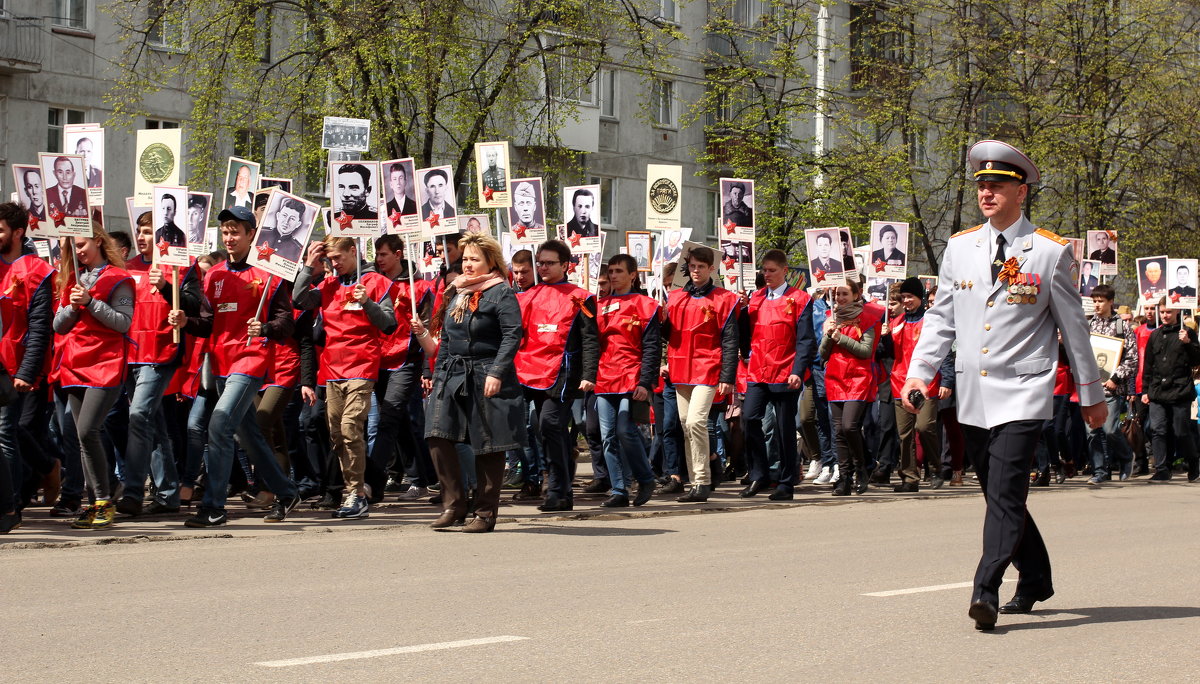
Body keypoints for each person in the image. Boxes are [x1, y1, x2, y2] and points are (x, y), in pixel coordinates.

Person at [900, 139, 1107, 631]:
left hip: (1024, 391)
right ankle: (1034, 577)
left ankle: (985, 589)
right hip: (973, 393)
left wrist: (1090, 394)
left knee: (1007, 494)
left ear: (1021, 191)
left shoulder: (1050, 252)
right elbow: (942, 318)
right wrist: (919, 372)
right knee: (999, 495)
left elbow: (1074, 330)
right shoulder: (960, 246)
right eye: (981, 185)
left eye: (997, 184)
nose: (987, 192)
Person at [171, 205, 301, 527]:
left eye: (236, 232)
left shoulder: (268, 273)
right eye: (225, 231)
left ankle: (214, 507)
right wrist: (186, 321)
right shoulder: (214, 275)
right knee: (249, 434)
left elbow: (286, 323)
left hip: (251, 360)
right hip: (220, 364)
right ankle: (286, 492)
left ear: (251, 235)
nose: (229, 238)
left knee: (218, 425)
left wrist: (266, 329)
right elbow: (207, 324)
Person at [412, 232, 525, 532]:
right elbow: (446, 339)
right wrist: (435, 369)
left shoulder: (502, 292)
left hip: (486, 370)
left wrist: (497, 372)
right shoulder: (456, 291)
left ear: (490, 262)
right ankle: (454, 504)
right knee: (437, 433)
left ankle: (486, 512)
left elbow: (512, 334)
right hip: (452, 371)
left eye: (475, 259)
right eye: (465, 259)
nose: (468, 265)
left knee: (488, 444)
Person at [293, 236, 397, 519]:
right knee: (338, 435)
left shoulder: (375, 282)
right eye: (330, 260)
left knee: (351, 428)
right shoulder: (329, 284)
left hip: (362, 367)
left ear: (354, 251)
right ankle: (356, 489)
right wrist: (308, 266)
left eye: (338, 258)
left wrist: (367, 303)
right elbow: (299, 299)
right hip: (332, 370)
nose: (334, 264)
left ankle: (357, 493)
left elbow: (389, 324)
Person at [51, 222, 135, 530]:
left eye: (83, 244)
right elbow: (58, 325)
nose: (78, 251)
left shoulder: (119, 278)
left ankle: (104, 500)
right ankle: (95, 502)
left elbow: (123, 323)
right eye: (73, 246)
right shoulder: (72, 279)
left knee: (88, 431)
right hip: (75, 363)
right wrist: (74, 307)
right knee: (80, 436)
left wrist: (91, 303)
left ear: (99, 241)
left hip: (106, 362)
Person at [117, 211, 201, 516]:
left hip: (161, 354)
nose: (141, 236)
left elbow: (194, 306)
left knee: (138, 416)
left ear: (163, 235)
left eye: (149, 231)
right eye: (139, 230)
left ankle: (134, 492)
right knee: (154, 424)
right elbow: (122, 309)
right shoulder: (126, 268)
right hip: (131, 355)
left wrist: (167, 286)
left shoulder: (181, 265)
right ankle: (167, 494)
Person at [514, 239, 598, 511]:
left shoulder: (581, 296)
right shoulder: (529, 294)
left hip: (563, 373)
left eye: (549, 263)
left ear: (565, 265)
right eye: (540, 263)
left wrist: (589, 373)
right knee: (545, 428)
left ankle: (557, 489)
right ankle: (562, 491)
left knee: (550, 425)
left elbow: (590, 339)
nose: (543, 267)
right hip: (531, 369)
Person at [662, 246, 739, 503]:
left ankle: (703, 480)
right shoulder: (675, 298)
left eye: (701, 267)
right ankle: (697, 480)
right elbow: (668, 335)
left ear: (711, 269)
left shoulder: (724, 298)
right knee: (686, 426)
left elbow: (730, 340)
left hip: (708, 368)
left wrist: (727, 377)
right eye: (692, 266)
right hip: (681, 368)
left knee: (696, 422)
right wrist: (662, 320)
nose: (696, 271)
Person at [738, 249, 816, 500]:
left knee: (783, 430)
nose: (767, 275)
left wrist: (797, 371)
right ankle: (759, 474)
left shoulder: (800, 299)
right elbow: (745, 333)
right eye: (765, 270)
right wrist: (740, 310)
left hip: (785, 371)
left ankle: (786, 481)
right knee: (749, 419)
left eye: (772, 270)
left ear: (785, 271)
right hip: (759, 370)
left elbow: (805, 340)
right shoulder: (756, 298)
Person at [0, 203, 55, 533]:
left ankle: (11, 506)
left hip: (15, 367)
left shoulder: (37, 271)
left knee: (6, 433)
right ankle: (47, 467)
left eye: (2, 229)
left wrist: (27, 371)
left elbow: (39, 327)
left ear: (18, 233)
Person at [594, 254, 661, 507]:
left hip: (631, 376)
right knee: (608, 436)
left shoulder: (647, 305)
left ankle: (645, 478)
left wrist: (645, 382)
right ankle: (619, 489)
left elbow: (652, 347)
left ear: (633, 275)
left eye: (619, 271)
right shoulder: (600, 305)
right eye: (610, 271)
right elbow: (593, 344)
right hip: (604, 377)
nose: (613, 276)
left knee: (624, 430)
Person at [820, 278, 885, 497]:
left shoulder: (867, 318)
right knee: (838, 431)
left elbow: (866, 351)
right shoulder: (832, 319)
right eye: (837, 294)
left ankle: (862, 468)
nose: (839, 298)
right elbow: (822, 355)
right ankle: (845, 477)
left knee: (849, 426)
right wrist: (829, 336)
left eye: (844, 294)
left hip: (858, 378)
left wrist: (840, 338)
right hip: (836, 377)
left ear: (856, 295)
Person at [887, 277, 953, 491]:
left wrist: (947, 380)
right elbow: (886, 354)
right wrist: (883, 339)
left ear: (920, 298)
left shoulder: (930, 322)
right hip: (900, 383)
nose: (906, 301)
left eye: (910, 297)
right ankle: (909, 478)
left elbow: (944, 353)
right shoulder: (895, 323)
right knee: (905, 434)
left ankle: (935, 468)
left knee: (924, 428)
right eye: (903, 297)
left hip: (927, 385)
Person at [1140, 296, 1200, 482]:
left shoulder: (1187, 333)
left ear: (1177, 312)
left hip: (1179, 389)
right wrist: (1145, 390)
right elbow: (1148, 365)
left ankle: (1193, 463)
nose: (1165, 315)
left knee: (1180, 430)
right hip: (1157, 390)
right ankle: (1162, 469)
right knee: (1158, 429)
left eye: (1168, 312)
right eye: (1163, 312)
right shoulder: (1155, 335)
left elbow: (1197, 360)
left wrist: (1188, 343)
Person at [256, 197, 308, 262]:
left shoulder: (298, 250)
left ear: (298, 224)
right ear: (278, 216)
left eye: (292, 219)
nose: (286, 221)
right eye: (284, 215)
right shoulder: (260, 234)